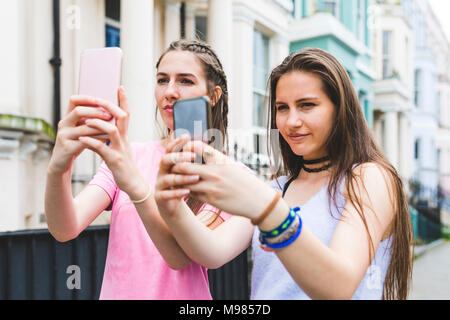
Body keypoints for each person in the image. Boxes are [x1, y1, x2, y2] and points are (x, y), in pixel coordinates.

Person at [157, 48, 414, 300]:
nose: (291, 121)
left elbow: (338, 287)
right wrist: (170, 206)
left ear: (340, 109)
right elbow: (212, 252)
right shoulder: (279, 188)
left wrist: (268, 210)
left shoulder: (370, 178)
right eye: (282, 108)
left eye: (307, 105)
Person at [44, 39, 253, 299]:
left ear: (213, 96)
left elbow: (179, 257)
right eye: (162, 80)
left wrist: (135, 184)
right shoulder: (130, 156)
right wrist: (59, 167)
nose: (170, 91)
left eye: (185, 81)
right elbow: (65, 228)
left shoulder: (233, 177)